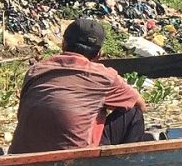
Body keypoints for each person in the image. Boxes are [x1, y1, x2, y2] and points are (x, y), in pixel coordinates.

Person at [8, 17, 145, 154]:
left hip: (20, 157)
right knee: (133, 112)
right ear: (98, 54)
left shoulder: (35, 70)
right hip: (74, 162)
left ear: (63, 44)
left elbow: (22, 114)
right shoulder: (105, 76)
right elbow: (140, 104)